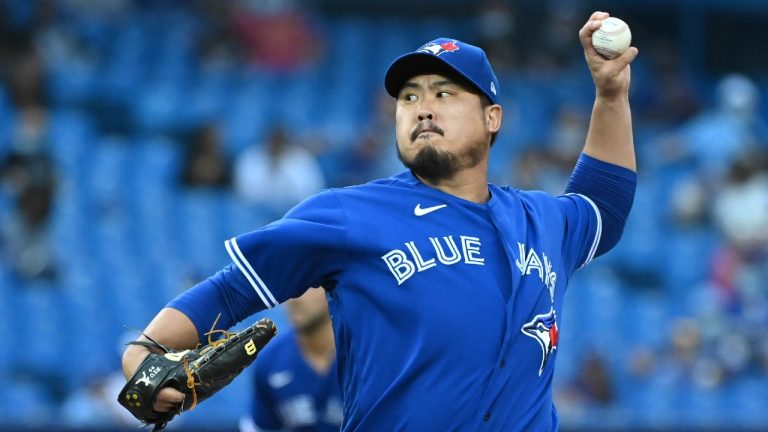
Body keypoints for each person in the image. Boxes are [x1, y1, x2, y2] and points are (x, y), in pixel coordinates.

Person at [123, 11, 638, 430]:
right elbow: (233, 290)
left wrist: (611, 95)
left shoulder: (541, 220)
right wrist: (143, 354)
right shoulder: (349, 214)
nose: (422, 107)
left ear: (492, 117)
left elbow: (604, 208)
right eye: (409, 96)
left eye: (445, 92)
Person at [239, 287, 341, 432]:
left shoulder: (367, 357)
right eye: (292, 285)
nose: (294, 298)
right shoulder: (270, 361)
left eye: (307, 286)